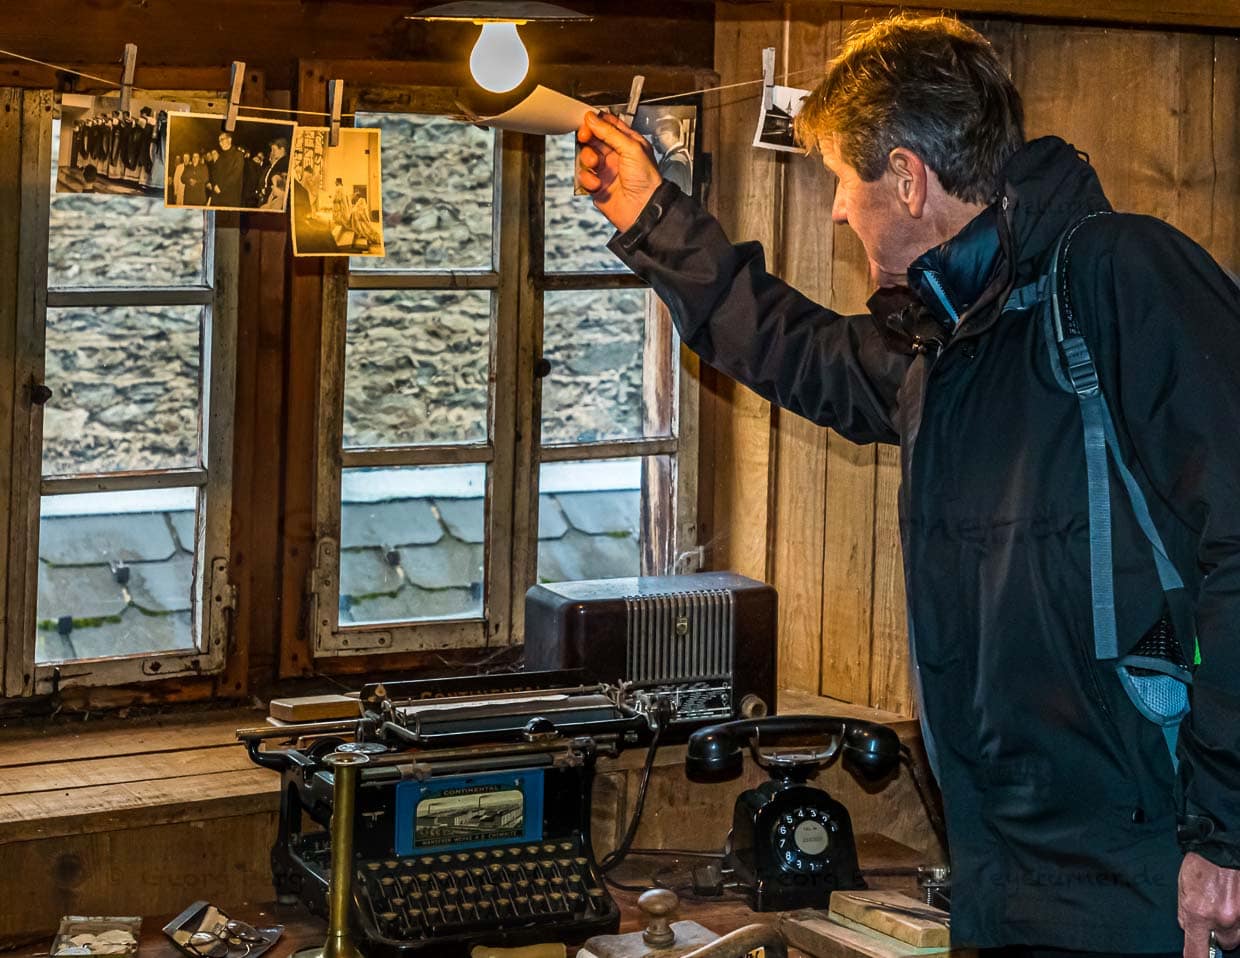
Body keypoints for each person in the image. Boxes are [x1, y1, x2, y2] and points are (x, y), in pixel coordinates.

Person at [577, 13, 1240, 958]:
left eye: (844, 183)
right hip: (1005, 876)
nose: (839, 212)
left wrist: (1228, 835)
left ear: (907, 178)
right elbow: (795, 350)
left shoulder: (1117, 278)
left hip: (1155, 879)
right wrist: (652, 218)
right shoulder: (948, 342)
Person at [650, 116, 692, 194]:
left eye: (656, 138)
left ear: (668, 136)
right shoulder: (678, 156)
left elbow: (664, 196)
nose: (654, 143)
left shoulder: (675, 162)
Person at [209, 131, 245, 208]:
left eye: (222, 139)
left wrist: (221, 187)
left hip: (231, 199)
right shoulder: (221, 156)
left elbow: (235, 175)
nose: (220, 143)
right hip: (218, 198)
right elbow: (214, 173)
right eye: (219, 141)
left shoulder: (238, 155)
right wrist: (214, 184)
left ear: (229, 140)